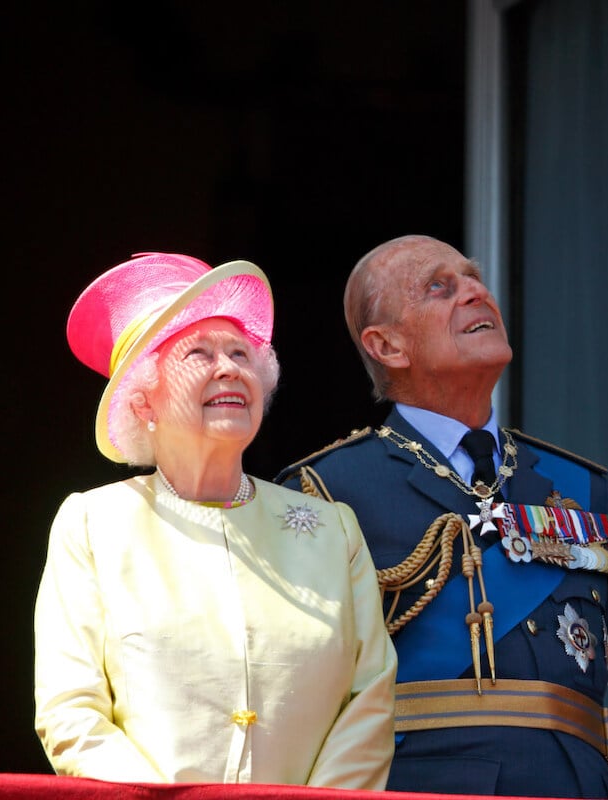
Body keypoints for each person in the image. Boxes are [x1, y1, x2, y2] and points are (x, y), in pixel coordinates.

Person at [276, 234, 608, 798]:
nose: (476, 293)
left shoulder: (583, 488)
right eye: (440, 287)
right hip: (426, 782)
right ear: (386, 345)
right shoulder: (324, 491)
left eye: (474, 279)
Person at [33, 252, 396, 787]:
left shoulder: (330, 530)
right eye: (199, 353)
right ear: (143, 402)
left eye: (241, 353)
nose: (229, 367)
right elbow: (72, 713)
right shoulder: (93, 525)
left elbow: (370, 699)